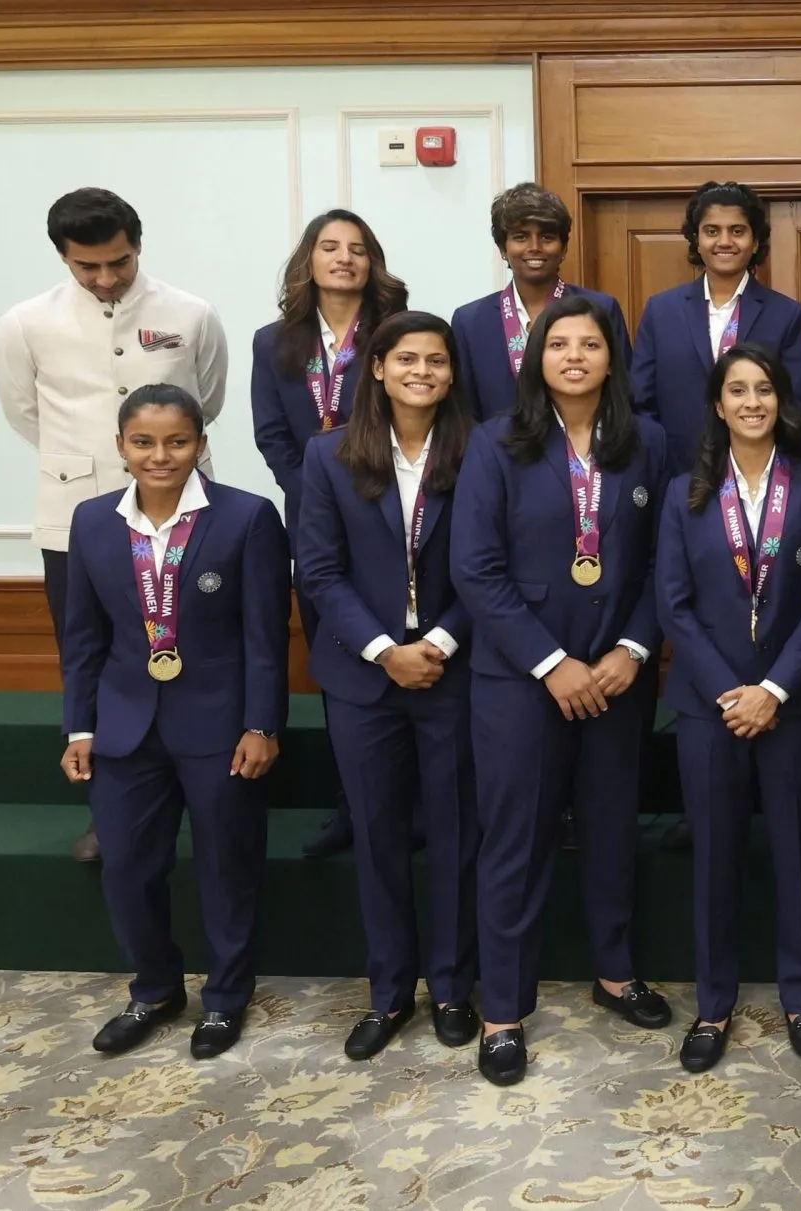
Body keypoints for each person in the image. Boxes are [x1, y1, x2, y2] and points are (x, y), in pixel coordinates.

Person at [450, 295, 673, 1086]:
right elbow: (475, 569)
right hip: (520, 681)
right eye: (559, 344)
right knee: (514, 839)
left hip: (618, 675)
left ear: (613, 357)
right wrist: (551, 662)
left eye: (590, 344)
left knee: (613, 828)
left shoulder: (647, 442)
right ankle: (503, 1009)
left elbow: (662, 562)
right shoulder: (495, 443)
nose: (574, 355)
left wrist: (633, 647)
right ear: (535, 356)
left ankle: (615, 972)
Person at [0, 187, 229, 862]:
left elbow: (204, 400)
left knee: (194, 647)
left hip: (183, 514)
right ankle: (109, 813)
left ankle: (204, 794)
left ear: (137, 244)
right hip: (77, 519)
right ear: (64, 258)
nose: (104, 278)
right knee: (90, 657)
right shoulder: (25, 322)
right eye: (86, 267)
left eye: (118, 262)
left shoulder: (190, 313)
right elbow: (23, 411)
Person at [56, 383, 287, 1061]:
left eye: (177, 441)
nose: (161, 455)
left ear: (201, 444)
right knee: (126, 866)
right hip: (125, 728)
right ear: (122, 446)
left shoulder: (245, 518)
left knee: (226, 865)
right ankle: (155, 988)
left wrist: (261, 723)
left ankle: (224, 998)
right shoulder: (93, 521)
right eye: (144, 442)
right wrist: (79, 727)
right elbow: (82, 638)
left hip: (220, 727)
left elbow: (266, 637)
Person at [292, 310, 484, 1060]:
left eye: (436, 360)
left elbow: (492, 563)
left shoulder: (481, 450)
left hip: (454, 669)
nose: (422, 372)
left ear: (452, 372)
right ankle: (388, 991)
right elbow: (320, 570)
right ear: (376, 367)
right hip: (363, 678)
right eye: (407, 359)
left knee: (457, 834)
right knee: (376, 836)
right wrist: (383, 649)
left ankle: (454, 984)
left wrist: (435, 641)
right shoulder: (329, 454)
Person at [654, 343, 801, 1072]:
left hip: (791, 705)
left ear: (782, 400)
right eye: (737, 390)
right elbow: (673, 604)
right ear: (717, 403)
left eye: (764, 389)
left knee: (797, 853)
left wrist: (774, 690)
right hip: (710, 707)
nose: (752, 402)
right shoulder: (685, 494)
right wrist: (731, 691)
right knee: (715, 856)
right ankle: (713, 1003)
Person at [248, 208, 410, 860]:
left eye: (358, 248)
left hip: (397, 517)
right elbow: (272, 435)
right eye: (330, 247)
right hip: (316, 524)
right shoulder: (272, 341)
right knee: (344, 662)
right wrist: (317, 493)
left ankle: (417, 804)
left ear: (373, 262)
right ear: (308, 261)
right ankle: (355, 805)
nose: (344, 258)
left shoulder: (396, 334)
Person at [630, 181, 801, 459]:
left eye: (737, 231)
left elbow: (795, 409)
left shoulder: (786, 315)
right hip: (675, 473)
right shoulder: (661, 311)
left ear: (754, 242)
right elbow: (641, 403)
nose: (724, 241)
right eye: (712, 231)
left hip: (759, 478)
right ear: (696, 240)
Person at [451, 183, 632, 421]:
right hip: (500, 453)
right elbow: (465, 412)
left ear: (564, 247)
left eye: (547, 237)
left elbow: (621, 395)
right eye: (521, 237)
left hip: (587, 452)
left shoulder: (601, 309)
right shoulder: (470, 321)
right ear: (503, 248)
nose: (534, 247)